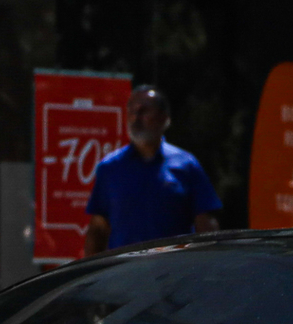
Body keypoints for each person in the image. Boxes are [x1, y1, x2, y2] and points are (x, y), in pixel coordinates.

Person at [85, 85, 221, 254]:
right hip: (124, 273)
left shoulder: (186, 165)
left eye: (144, 111)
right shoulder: (110, 168)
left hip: (173, 272)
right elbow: (98, 228)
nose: (136, 118)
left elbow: (205, 224)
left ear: (164, 118)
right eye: (132, 111)